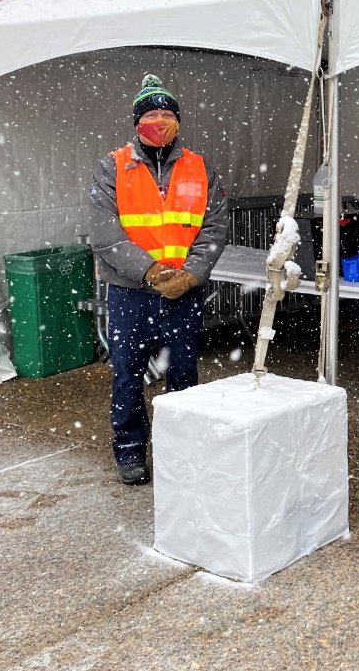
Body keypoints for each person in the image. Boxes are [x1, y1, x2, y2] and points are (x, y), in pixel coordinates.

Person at [89, 74, 229, 486]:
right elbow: (104, 232)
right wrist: (149, 271)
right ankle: (130, 452)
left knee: (183, 375)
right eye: (151, 113)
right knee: (128, 375)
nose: (160, 120)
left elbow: (215, 225)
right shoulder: (111, 167)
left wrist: (191, 274)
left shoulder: (200, 167)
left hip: (183, 292)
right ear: (136, 122)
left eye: (167, 113)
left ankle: (181, 452)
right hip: (131, 293)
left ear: (179, 121)